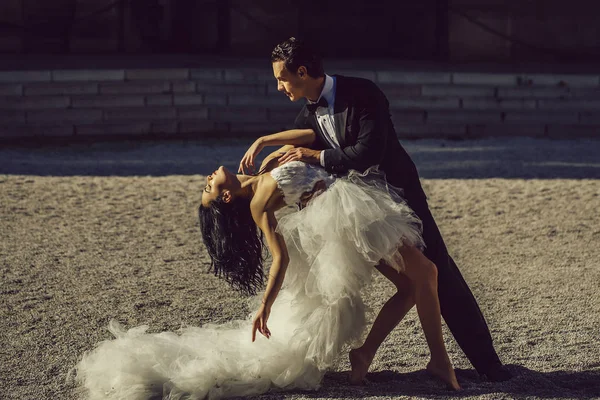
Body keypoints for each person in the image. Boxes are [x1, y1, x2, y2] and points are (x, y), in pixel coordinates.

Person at [74, 129, 461, 399]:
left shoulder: (261, 172)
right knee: (424, 274)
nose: (209, 178)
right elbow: (280, 256)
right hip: (346, 218)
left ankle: (366, 355)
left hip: (349, 209)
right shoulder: (259, 203)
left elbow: (310, 138)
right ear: (226, 199)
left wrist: (264, 141)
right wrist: (266, 304)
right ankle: (439, 362)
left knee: (413, 284)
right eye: (210, 187)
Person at [241, 36, 510, 383]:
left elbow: (370, 153)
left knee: (440, 272)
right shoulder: (308, 111)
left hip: (400, 194)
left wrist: (314, 155)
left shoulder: (364, 94)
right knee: (420, 277)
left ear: (303, 72)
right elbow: (300, 145)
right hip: (363, 212)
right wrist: (266, 142)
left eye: (282, 78)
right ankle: (377, 354)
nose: (278, 86)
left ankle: (488, 365)